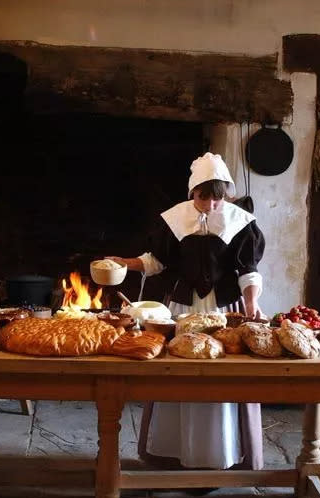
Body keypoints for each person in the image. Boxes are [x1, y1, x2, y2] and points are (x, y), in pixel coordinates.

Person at [107, 152, 266, 479]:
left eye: (217, 198)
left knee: (221, 383)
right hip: (181, 311)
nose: (209, 205)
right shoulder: (174, 219)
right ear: (192, 192)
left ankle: (221, 456)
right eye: (203, 197)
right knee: (177, 377)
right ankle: (174, 455)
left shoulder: (240, 222)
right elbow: (156, 262)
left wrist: (252, 306)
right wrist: (126, 262)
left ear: (226, 194)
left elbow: (248, 271)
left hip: (224, 313)